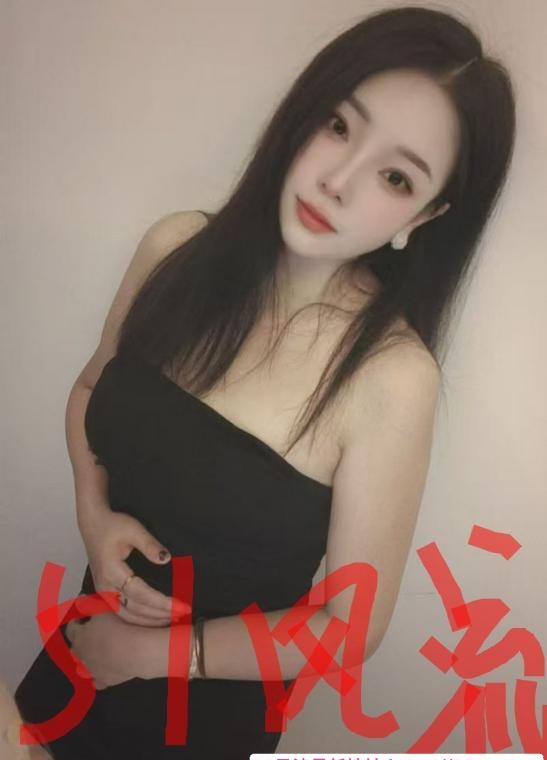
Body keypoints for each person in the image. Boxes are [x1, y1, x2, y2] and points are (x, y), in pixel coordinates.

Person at [14, 5, 516, 758]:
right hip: (79, 654)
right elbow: (91, 391)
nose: (337, 180)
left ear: (425, 214)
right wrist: (94, 513)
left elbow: (349, 629)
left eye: (393, 176)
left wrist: (151, 655)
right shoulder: (175, 248)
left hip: (198, 725)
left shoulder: (389, 378)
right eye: (338, 126)